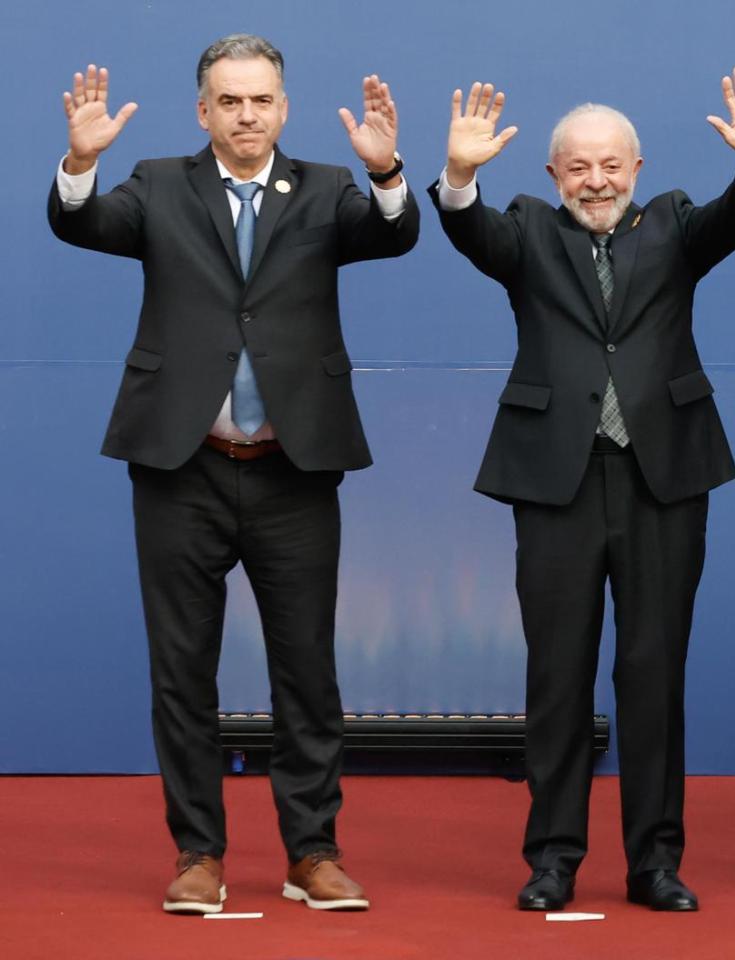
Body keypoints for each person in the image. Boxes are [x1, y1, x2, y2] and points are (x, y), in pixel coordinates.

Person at [47, 34, 416, 915]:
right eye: (229, 101)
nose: (246, 115)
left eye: (261, 100)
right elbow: (82, 222)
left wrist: (388, 170)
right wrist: (79, 164)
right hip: (182, 466)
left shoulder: (327, 187)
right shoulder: (157, 184)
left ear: (283, 108)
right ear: (203, 110)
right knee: (182, 671)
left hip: (295, 468)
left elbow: (392, 235)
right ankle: (198, 854)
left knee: (307, 670)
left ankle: (312, 853)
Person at [428, 70, 735, 913]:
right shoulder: (527, 229)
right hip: (557, 479)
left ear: (637, 169)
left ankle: (655, 862)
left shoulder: (677, 223)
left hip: (664, 476)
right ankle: (552, 858)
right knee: (558, 675)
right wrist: (460, 175)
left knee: (654, 672)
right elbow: (471, 231)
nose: (596, 181)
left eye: (611, 165)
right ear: (554, 175)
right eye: (578, 167)